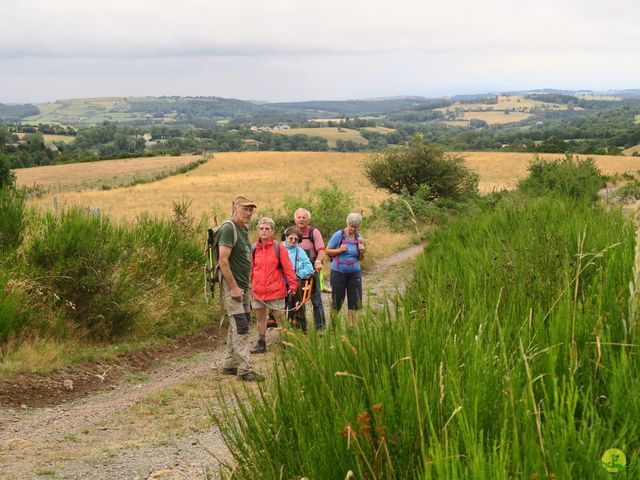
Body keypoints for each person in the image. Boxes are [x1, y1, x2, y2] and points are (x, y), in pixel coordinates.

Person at [218, 195, 264, 382]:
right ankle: (245, 370)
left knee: (238, 323)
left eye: (251, 209)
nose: (249, 213)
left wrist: (246, 286)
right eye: (245, 209)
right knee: (242, 327)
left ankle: (229, 365)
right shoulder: (228, 228)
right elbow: (223, 261)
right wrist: (234, 288)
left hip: (243, 286)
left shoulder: (243, 229)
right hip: (233, 288)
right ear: (235, 208)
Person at [250, 217, 298, 354]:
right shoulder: (254, 248)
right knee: (260, 319)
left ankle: (287, 343)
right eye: (261, 228)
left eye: (267, 229)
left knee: (280, 319)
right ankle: (261, 343)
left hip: (276, 290)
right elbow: (251, 270)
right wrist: (248, 286)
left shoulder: (279, 248)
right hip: (258, 290)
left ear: (272, 231)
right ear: (258, 230)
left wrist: (293, 287)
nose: (264, 231)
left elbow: (288, 268)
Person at [325, 213, 365, 327]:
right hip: (338, 273)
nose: (353, 229)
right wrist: (339, 250)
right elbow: (327, 251)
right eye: (351, 226)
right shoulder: (339, 235)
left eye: (355, 227)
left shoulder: (359, 237)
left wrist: (361, 251)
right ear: (347, 223)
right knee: (337, 301)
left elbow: (360, 259)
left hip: (354, 273)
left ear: (359, 226)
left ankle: (351, 327)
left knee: (354, 301)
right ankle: (333, 326)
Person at [293, 208, 327, 332]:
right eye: (299, 217)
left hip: (312, 270)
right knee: (298, 301)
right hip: (295, 272)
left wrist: (318, 262)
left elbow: (322, 250)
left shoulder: (314, 232)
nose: (301, 220)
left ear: (308, 219)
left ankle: (320, 328)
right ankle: (302, 329)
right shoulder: (290, 232)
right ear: (295, 219)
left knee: (316, 300)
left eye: (304, 217)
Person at [283, 226, 314, 332]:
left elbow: (309, 268)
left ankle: (300, 325)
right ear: (286, 237)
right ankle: (279, 322)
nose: (293, 241)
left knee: (296, 299)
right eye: (290, 238)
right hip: (281, 281)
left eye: (296, 239)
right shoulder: (279, 248)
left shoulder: (300, 251)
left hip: (296, 280)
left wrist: (297, 273)